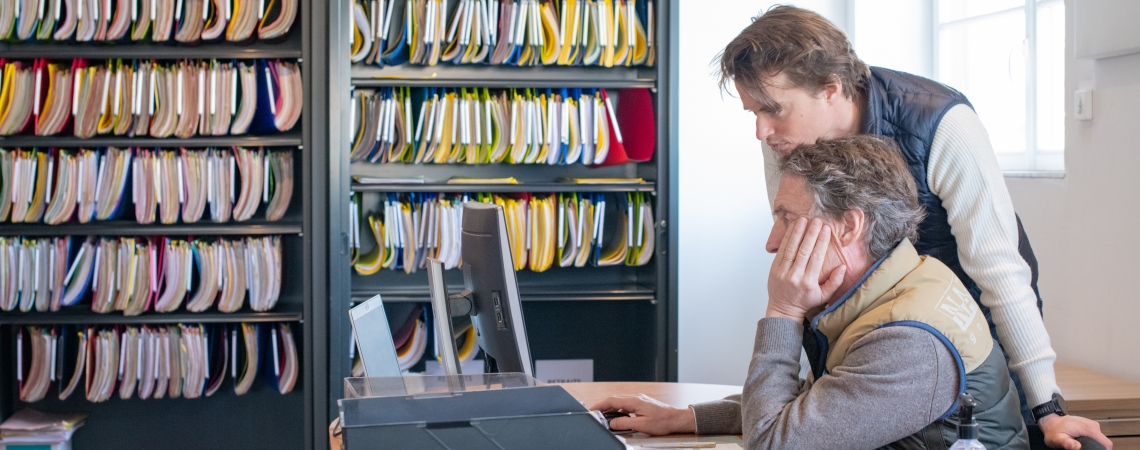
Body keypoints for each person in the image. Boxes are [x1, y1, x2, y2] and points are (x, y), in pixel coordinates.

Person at [594, 6, 1110, 450]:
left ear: (831, 89)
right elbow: (828, 405)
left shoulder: (940, 125)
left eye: (771, 111)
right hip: (888, 348)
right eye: (753, 112)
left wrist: (1047, 406)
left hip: (935, 347)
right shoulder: (788, 141)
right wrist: (692, 416)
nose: (760, 131)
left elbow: (1000, 272)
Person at [601, 136, 1031, 449]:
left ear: (848, 226)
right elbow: (814, 407)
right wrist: (686, 418)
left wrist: (783, 311)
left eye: (787, 217)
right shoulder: (901, 281)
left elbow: (775, 443)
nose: (772, 241)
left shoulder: (907, 342)